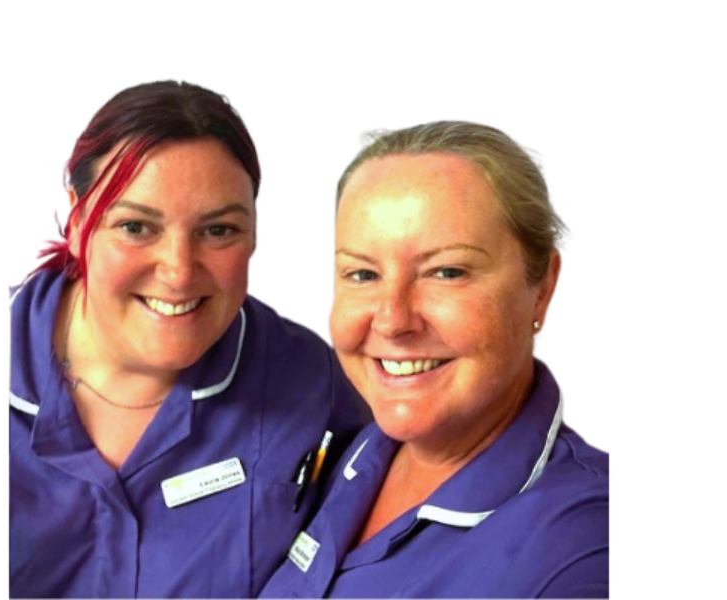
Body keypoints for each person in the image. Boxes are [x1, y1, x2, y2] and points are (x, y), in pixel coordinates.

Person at [7, 79, 369, 599]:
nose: (179, 272)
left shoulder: (318, 381)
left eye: (218, 230)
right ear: (79, 220)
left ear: (256, 231)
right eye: (136, 227)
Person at [259, 119, 610, 599]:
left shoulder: (581, 551)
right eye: (362, 274)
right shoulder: (348, 452)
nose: (392, 321)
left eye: (447, 271)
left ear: (544, 288)